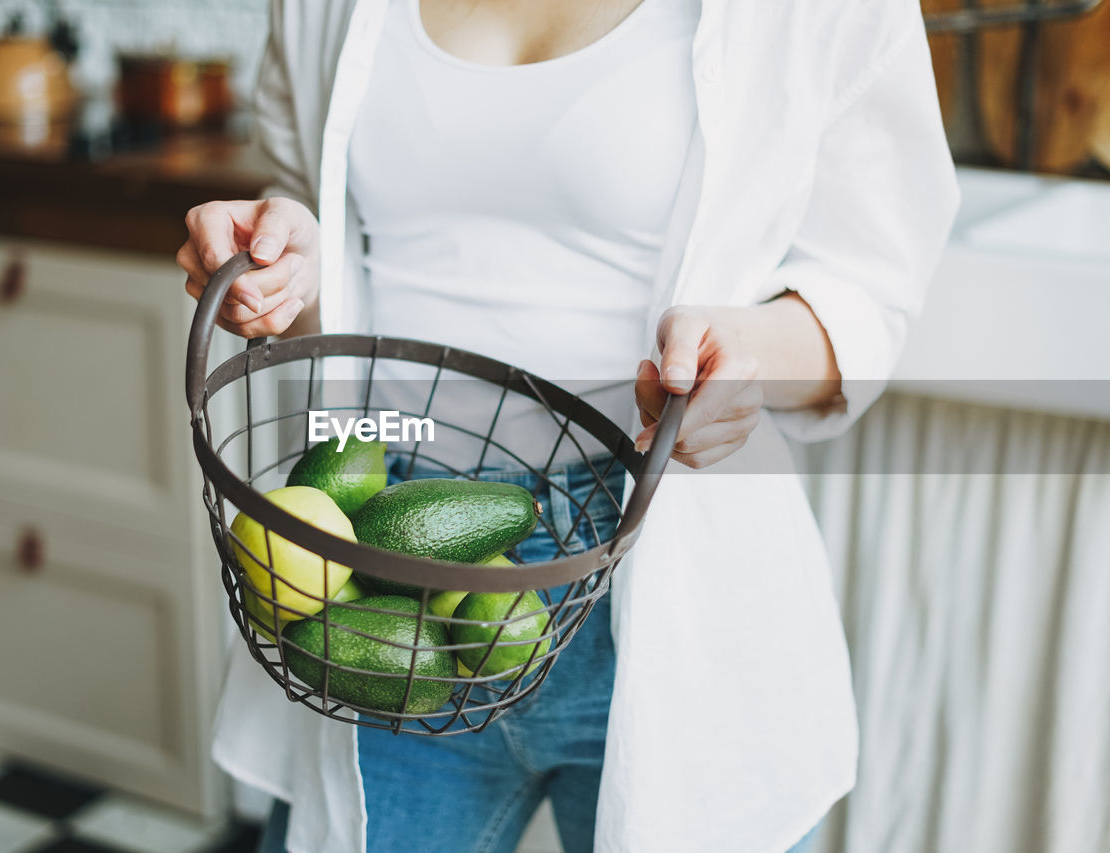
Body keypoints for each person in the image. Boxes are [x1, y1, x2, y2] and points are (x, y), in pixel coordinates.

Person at [177, 1, 959, 851]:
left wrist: (752, 358)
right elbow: (323, 215)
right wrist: (284, 260)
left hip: (661, 572)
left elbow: (867, 288)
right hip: (377, 563)